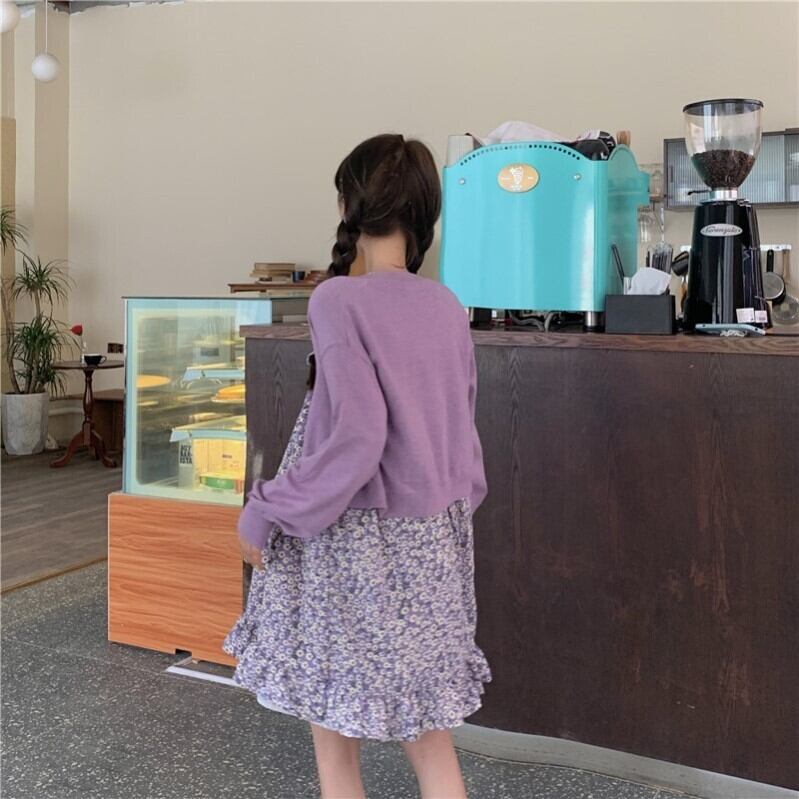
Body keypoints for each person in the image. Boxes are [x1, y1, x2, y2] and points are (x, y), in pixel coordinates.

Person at [223, 133, 491, 799]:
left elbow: (354, 437)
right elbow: (465, 445)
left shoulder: (338, 300)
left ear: (348, 204)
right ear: (424, 214)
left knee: (335, 740)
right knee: (431, 742)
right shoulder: (446, 306)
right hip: (435, 541)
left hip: (353, 541)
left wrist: (264, 509)